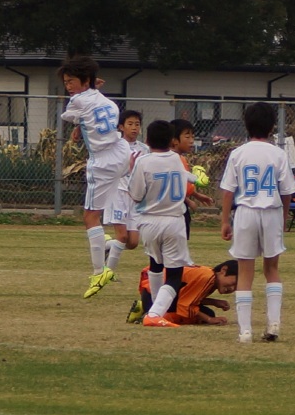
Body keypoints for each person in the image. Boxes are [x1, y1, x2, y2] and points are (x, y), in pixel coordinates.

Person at [219, 102, 295, 343]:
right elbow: (287, 191)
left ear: (246, 125)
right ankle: (273, 324)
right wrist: (283, 217)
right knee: (271, 269)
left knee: (245, 272)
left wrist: (225, 220)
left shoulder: (238, 153)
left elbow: (228, 191)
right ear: (272, 126)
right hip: (271, 211)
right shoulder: (278, 154)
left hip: (245, 213)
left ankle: (245, 331)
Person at [59, 56, 130, 299]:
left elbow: (69, 115)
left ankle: (99, 272)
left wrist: (77, 120)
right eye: (66, 82)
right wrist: (91, 91)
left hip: (102, 161)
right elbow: (92, 112)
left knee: (90, 216)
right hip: (121, 152)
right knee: (110, 204)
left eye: (71, 81)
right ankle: (108, 244)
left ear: (86, 80)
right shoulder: (108, 102)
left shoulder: (77, 100)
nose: (68, 86)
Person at [126, 119, 194, 328]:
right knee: (174, 274)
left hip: (149, 222)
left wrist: (132, 171)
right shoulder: (177, 159)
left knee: (155, 264)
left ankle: (153, 309)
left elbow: (136, 195)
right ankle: (155, 313)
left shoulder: (143, 162)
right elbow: (187, 179)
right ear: (172, 140)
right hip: (174, 221)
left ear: (147, 140)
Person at [102, 110, 146, 278]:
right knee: (122, 236)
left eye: (137, 124)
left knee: (133, 242)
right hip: (117, 194)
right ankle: (107, 274)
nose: (134, 128)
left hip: (136, 198)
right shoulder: (115, 147)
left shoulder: (144, 149)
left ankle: (107, 245)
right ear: (121, 127)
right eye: (130, 124)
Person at [129, 260, 239, 326]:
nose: (232, 288)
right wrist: (209, 320)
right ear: (223, 270)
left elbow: (187, 296)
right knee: (196, 316)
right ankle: (151, 315)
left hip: (152, 292)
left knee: (207, 313)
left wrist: (214, 302)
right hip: (153, 293)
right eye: (234, 282)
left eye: (236, 287)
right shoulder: (209, 278)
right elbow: (184, 305)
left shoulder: (209, 275)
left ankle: (145, 308)